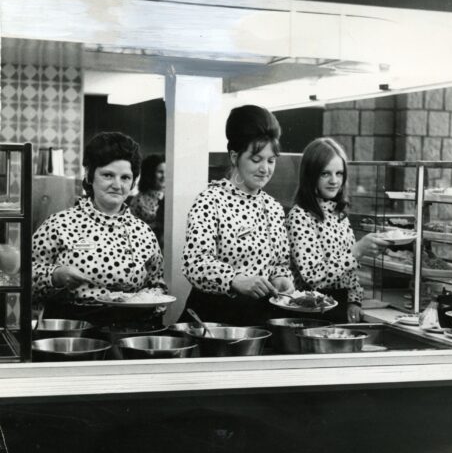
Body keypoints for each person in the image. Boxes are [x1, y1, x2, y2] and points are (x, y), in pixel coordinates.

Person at [32, 132, 167, 326]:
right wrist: (55, 276)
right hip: (74, 335)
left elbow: (157, 285)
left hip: (129, 334)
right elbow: (25, 279)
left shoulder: (143, 232)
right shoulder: (59, 224)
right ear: (89, 175)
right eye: (107, 175)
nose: (117, 185)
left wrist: (147, 298)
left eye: (126, 177)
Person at [181, 105, 294, 325]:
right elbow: (194, 263)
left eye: (271, 161)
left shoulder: (273, 208)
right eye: (256, 159)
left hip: (259, 318)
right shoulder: (210, 201)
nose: (265, 169)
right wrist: (234, 279)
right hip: (214, 318)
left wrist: (281, 279)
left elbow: (280, 263)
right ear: (235, 157)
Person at [286, 137, 391, 323]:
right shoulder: (300, 216)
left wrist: (354, 300)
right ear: (311, 175)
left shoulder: (339, 214)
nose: (334, 181)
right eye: (325, 173)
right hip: (311, 312)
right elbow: (313, 277)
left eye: (339, 173)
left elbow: (348, 273)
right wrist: (358, 250)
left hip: (340, 308)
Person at [130, 154, 165, 247]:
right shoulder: (138, 200)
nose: (164, 176)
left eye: (167, 171)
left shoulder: (173, 197)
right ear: (150, 173)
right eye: (160, 172)